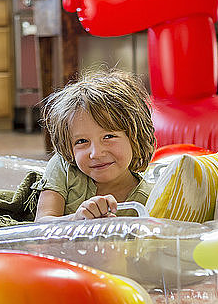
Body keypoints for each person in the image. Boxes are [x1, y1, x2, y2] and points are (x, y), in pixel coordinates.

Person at [34, 69, 156, 221]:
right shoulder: (64, 168)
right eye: (82, 141)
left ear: (134, 138)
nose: (96, 153)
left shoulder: (149, 199)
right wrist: (76, 220)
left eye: (109, 136)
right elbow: (41, 224)